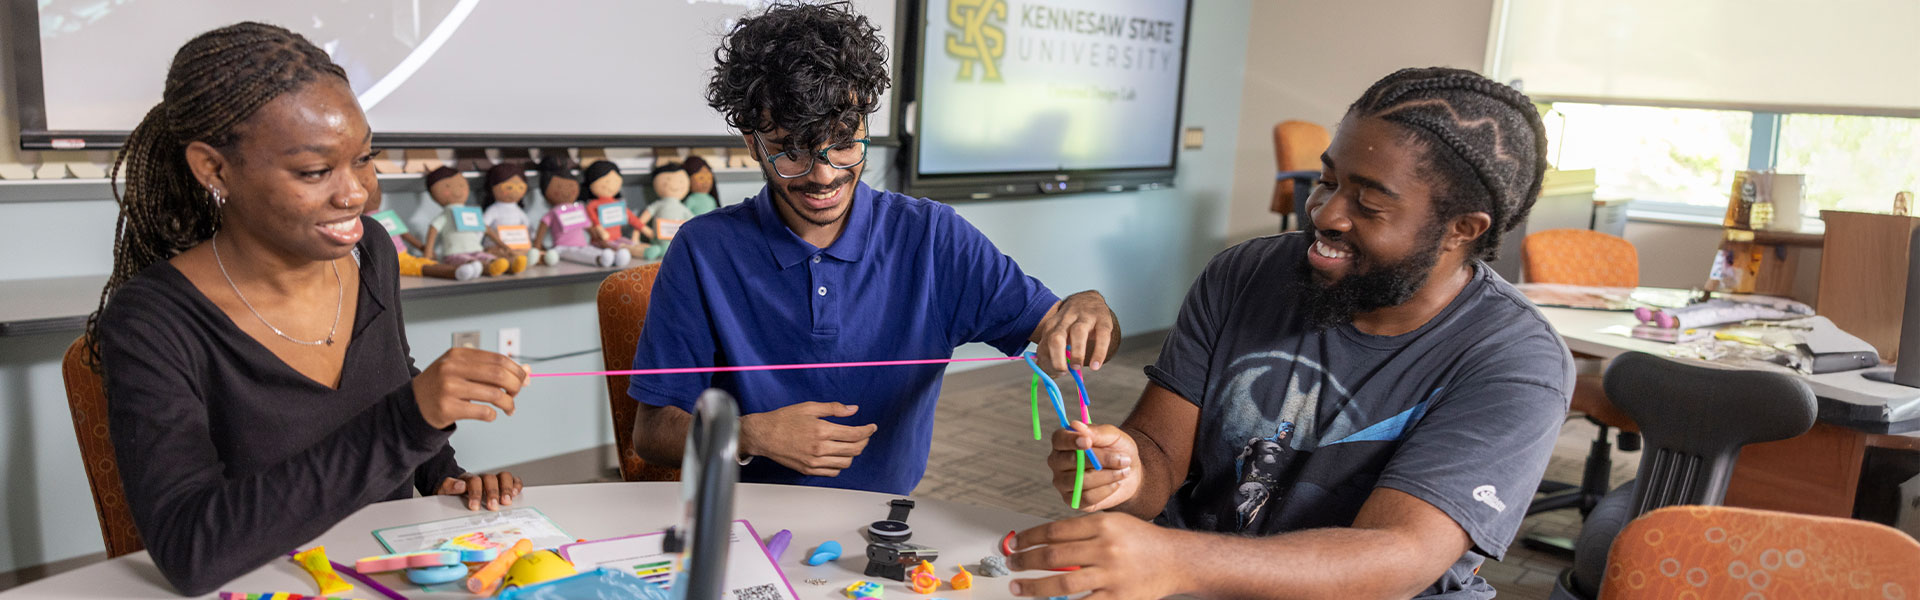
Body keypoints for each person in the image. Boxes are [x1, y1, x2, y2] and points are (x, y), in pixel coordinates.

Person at [1005, 68, 1573, 599]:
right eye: (1325, 180)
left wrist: (1178, 559)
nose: (1325, 213)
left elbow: (1399, 554)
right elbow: (1158, 454)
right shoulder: (1245, 274)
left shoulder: (1515, 361)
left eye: (1369, 204)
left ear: (1461, 230)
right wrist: (1124, 473)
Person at [86, 22, 529, 595]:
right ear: (214, 169)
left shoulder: (370, 250)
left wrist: (444, 473)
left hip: (380, 575)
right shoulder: (152, 322)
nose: (358, 195)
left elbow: (387, 384)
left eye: (365, 158)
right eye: (316, 172)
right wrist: (408, 421)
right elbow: (191, 549)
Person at [627, 2, 1120, 495]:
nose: (823, 176)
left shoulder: (932, 237)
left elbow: (1068, 333)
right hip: (740, 516)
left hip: (885, 521)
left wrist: (1090, 311)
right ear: (753, 143)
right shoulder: (704, 249)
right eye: (791, 150)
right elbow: (650, 433)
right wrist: (751, 433)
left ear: (866, 123)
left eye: (843, 142)